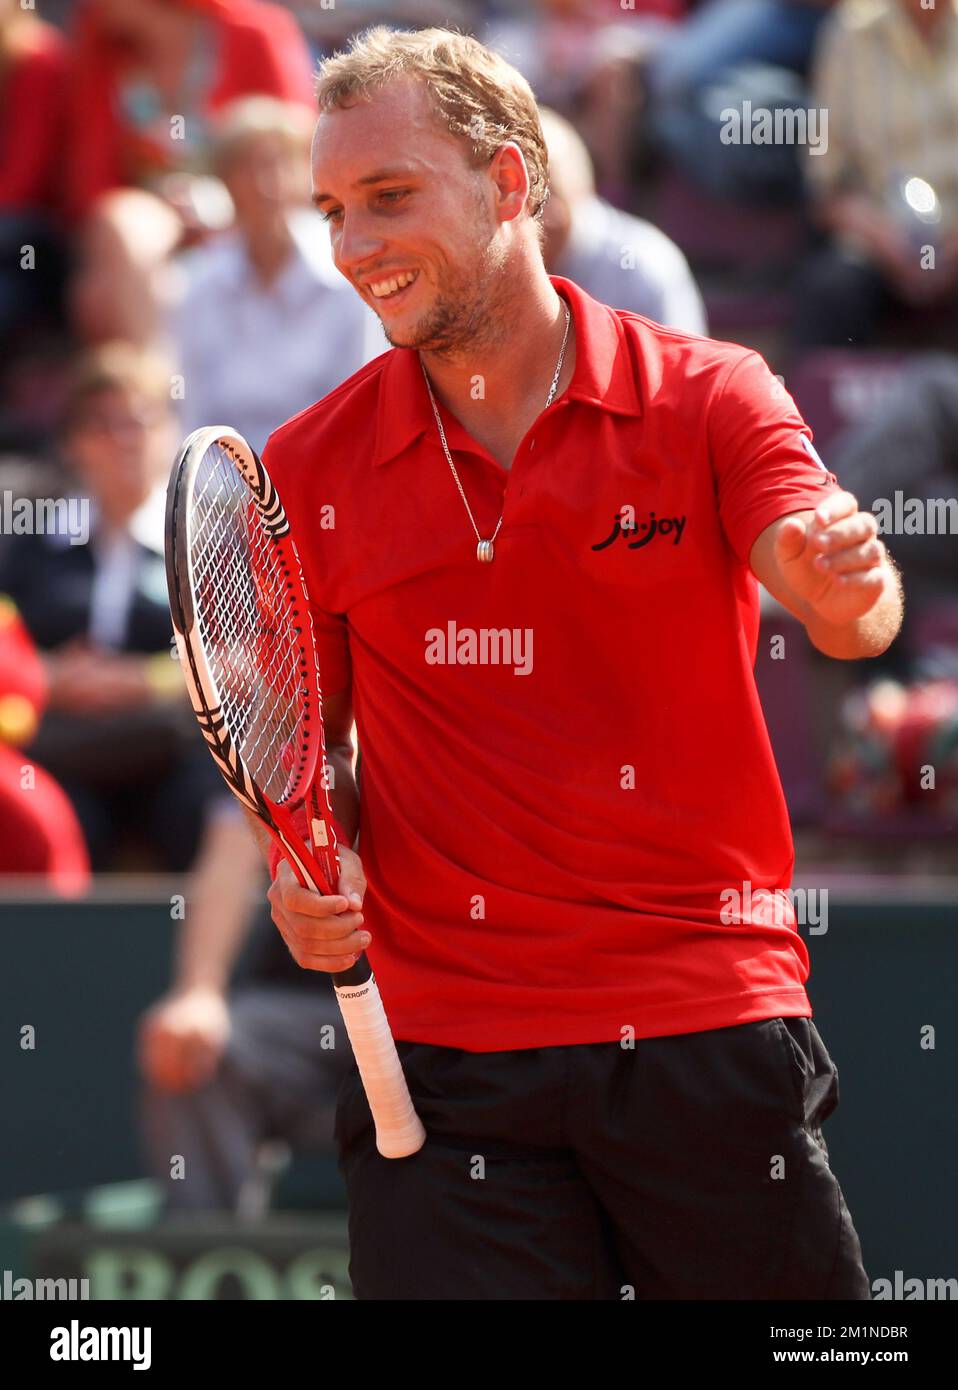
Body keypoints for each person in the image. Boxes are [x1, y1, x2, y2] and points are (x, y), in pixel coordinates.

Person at [258, 26, 902, 1300]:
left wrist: (851, 588)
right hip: (446, 1062)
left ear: (511, 184)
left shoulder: (713, 394)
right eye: (334, 209)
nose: (355, 247)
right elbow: (304, 745)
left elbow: (839, 606)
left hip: (702, 1018)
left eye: (391, 197)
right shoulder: (306, 470)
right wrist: (301, 862)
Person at [0, 343, 221, 871]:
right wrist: (50, 676)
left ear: (170, 433)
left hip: (175, 750)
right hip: (63, 750)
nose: (124, 441)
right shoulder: (32, 544)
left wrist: (142, 680)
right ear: (73, 443)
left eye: (140, 422)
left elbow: (246, 666)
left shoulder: (211, 540)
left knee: (209, 811)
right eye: (103, 425)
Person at [65, 0, 315, 349]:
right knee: (118, 232)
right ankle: (152, 391)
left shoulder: (255, 32)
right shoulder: (104, 51)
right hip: (151, 217)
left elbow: (297, 148)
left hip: (251, 202)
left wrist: (223, 204)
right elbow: (90, 184)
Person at [139, 799, 349, 1213]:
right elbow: (234, 847)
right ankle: (212, 1262)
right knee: (198, 1050)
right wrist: (198, 990)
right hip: (302, 1017)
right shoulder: (288, 742)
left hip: (428, 1022)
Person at [173, 97, 384, 453]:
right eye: (248, 169)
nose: (265, 184)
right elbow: (190, 417)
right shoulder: (200, 287)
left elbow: (361, 410)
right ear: (226, 182)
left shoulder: (347, 272)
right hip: (223, 495)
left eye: (280, 164)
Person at [793, 0, 958, 350]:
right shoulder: (849, 33)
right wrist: (884, 239)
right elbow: (826, 184)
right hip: (876, 238)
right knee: (832, 289)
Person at [539, 107, 707, 334]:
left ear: (584, 187)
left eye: (550, 194)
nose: (541, 213)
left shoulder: (645, 263)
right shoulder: (505, 264)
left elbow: (683, 361)